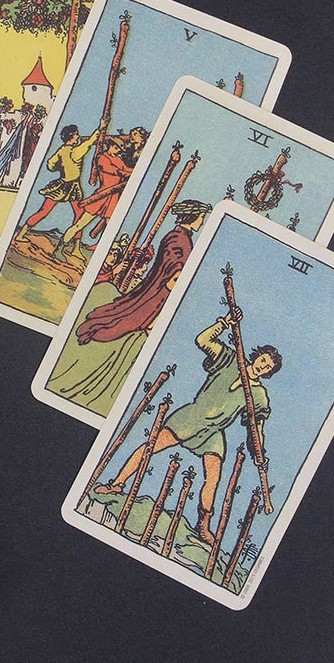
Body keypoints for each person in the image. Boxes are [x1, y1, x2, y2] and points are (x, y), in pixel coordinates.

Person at [94, 308, 282, 544]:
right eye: (263, 360)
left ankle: (203, 525)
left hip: (213, 432)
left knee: (213, 477)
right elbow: (203, 340)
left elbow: (256, 429)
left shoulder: (259, 396)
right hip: (191, 418)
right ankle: (117, 484)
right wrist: (225, 322)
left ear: (268, 373)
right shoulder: (230, 359)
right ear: (257, 356)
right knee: (151, 447)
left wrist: (259, 453)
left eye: (268, 367)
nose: (263, 366)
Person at [46, 201, 212, 416]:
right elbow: (173, 271)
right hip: (161, 292)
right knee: (132, 321)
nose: (202, 221)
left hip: (161, 290)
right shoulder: (178, 238)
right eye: (201, 217)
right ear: (193, 216)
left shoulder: (181, 237)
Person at [15, 116, 108, 243]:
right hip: (68, 186)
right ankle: (21, 234)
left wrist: (61, 166)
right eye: (76, 135)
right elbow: (89, 142)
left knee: (55, 212)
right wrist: (100, 128)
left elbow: (50, 165)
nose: (78, 137)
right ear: (72, 137)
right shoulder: (75, 151)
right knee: (74, 215)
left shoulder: (62, 150)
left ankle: (75, 246)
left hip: (67, 185)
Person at [53, 138, 134, 261]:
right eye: (116, 148)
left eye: (119, 149)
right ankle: (60, 248)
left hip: (113, 199)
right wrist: (128, 173)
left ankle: (102, 256)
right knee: (79, 224)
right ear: (110, 146)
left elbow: (126, 169)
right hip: (101, 196)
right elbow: (113, 171)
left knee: (111, 229)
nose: (117, 151)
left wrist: (136, 170)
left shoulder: (118, 160)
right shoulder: (102, 158)